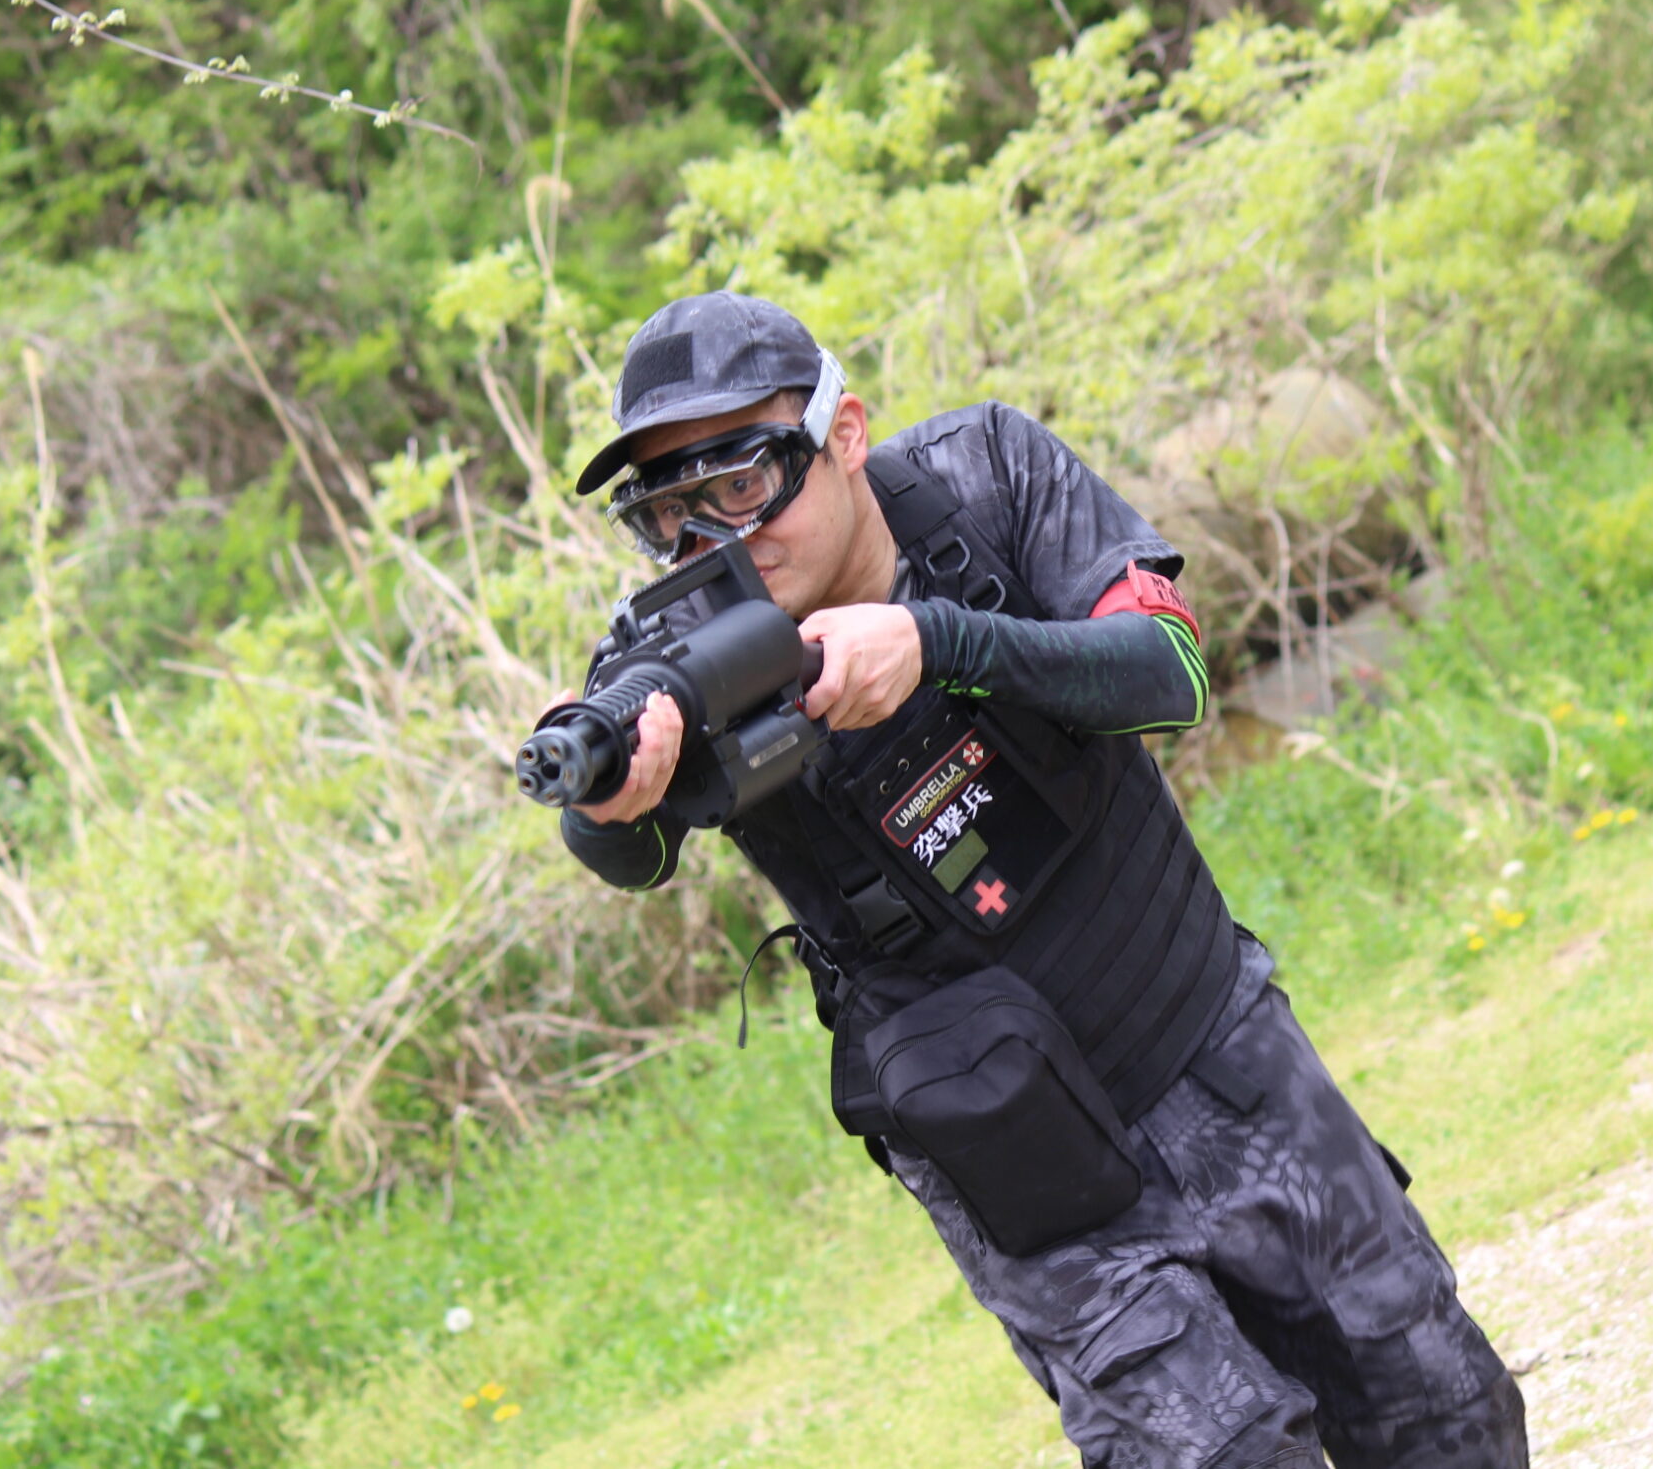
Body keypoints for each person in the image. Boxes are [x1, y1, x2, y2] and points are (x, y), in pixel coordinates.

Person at [557, 291, 1527, 1469]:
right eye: (665, 512)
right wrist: (609, 802)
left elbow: (1169, 669)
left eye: (741, 481)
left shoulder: (988, 480)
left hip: (1199, 1033)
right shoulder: (670, 660)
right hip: (1010, 1139)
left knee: (1441, 1407)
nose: (714, 539)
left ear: (843, 434)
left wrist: (942, 643)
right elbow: (623, 844)